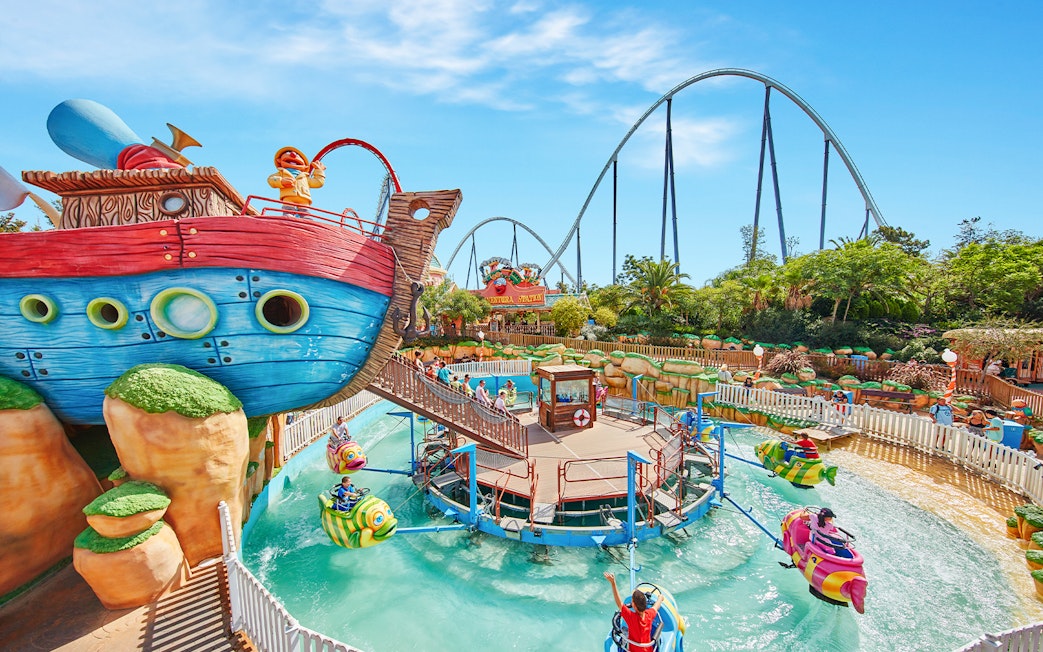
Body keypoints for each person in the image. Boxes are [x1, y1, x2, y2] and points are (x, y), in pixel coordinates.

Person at [604, 572, 659, 651]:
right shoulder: (649, 614)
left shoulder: (631, 617)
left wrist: (613, 583)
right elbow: (656, 606)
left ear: (634, 605)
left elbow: (619, 603)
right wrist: (660, 598)